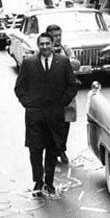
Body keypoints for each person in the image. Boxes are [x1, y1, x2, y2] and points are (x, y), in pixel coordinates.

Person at [14, 32, 78, 197]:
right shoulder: (28, 63)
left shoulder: (63, 62)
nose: (45, 47)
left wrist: (61, 103)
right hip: (35, 116)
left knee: (52, 150)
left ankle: (49, 182)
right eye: (41, 44)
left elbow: (72, 86)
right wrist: (28, 104)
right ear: (38, 46)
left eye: (47, 43)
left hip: (55, 116)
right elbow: (19, 88)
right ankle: (38, 181)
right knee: (35, 150)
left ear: (53, 45)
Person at [46, 24, 80, 164]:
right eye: (55, 36)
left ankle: (62, 149)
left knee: (66, 123)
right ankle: (53, 150)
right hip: (51, 94)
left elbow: (76, 63)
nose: (58, 38)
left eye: (59, 35)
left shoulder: (66, 48)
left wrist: (63, 59)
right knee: (52, 124)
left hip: (66, 93)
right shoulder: (45, 50)